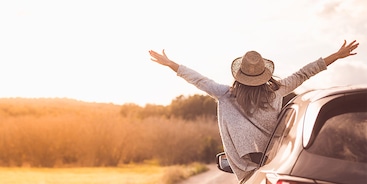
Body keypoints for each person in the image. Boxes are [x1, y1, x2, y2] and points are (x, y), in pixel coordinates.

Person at [148, 40, 359, 183]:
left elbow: (198, 79)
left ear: (239, 75)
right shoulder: (277, 91)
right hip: (277, 164)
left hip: (250, 175)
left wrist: (171, 64)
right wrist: (336, 56)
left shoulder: (224, 95)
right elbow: (305, 72)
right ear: (264, 75)